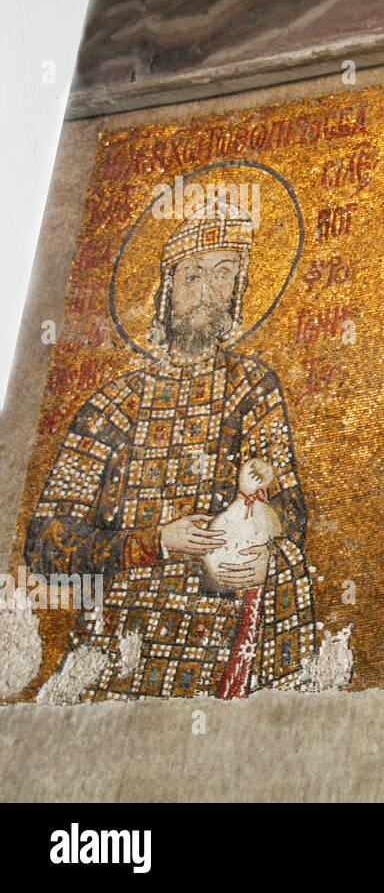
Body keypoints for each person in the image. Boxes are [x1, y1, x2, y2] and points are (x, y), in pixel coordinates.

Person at [25, 198, 317, 700]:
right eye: (193, 276)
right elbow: (47, 542)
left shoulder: (253, 388)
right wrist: (155, 541)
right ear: (166, 291)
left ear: (240, 289)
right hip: (126, 625)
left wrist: (260, 545)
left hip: (230, 611)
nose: (208, 291)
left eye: (224, 274)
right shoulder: (113, 406)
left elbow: (288, 506)